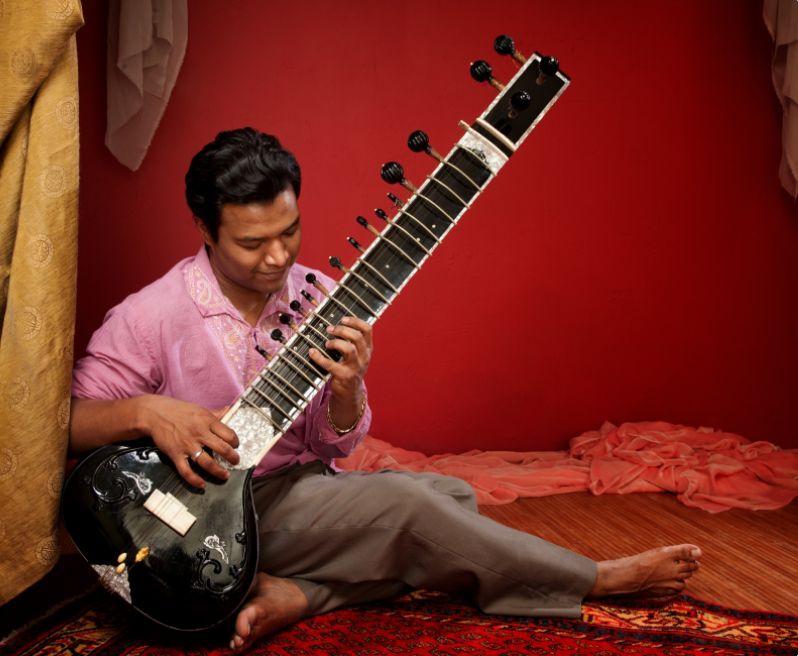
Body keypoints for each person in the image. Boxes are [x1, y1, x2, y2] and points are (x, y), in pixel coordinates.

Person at [69, 127, 701, 652]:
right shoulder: (153, 314)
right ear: (204, 229)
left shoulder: (316, 297)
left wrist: (348, 389)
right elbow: (68, 422)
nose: (278, 257)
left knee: (451, 497)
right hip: (209, 510)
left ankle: (304, 594)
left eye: (289, 231)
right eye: (252, 243)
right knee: (413, 509)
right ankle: (590, 577)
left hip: (294, 492)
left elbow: (333, 447)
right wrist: (150, 412)